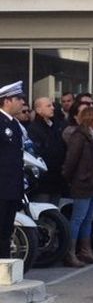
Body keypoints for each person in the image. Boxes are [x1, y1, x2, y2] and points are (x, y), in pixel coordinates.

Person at [61, 106, 93, 267]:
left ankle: (86, 251)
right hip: (83, 183)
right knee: (78, 218)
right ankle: (70, 252)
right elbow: (71, 161)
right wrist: (71, 178)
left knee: (89, 219)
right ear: (88, 119)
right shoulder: (80, 136)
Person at [0, 81, 26, 259]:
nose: (22, 103)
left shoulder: (14, 124)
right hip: (1, 187)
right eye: (19, 99)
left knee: (6, 230)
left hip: (11, 187)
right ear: (7, 100)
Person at [28, 97, 67, 205]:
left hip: (57, 178)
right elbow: (38, 153)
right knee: (43, 213)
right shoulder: (34, 129)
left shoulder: (56, 126)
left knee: (54, 214)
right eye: (48, 106)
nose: (53, 108)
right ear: (38, 110)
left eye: (52, 105)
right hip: (43, 181)